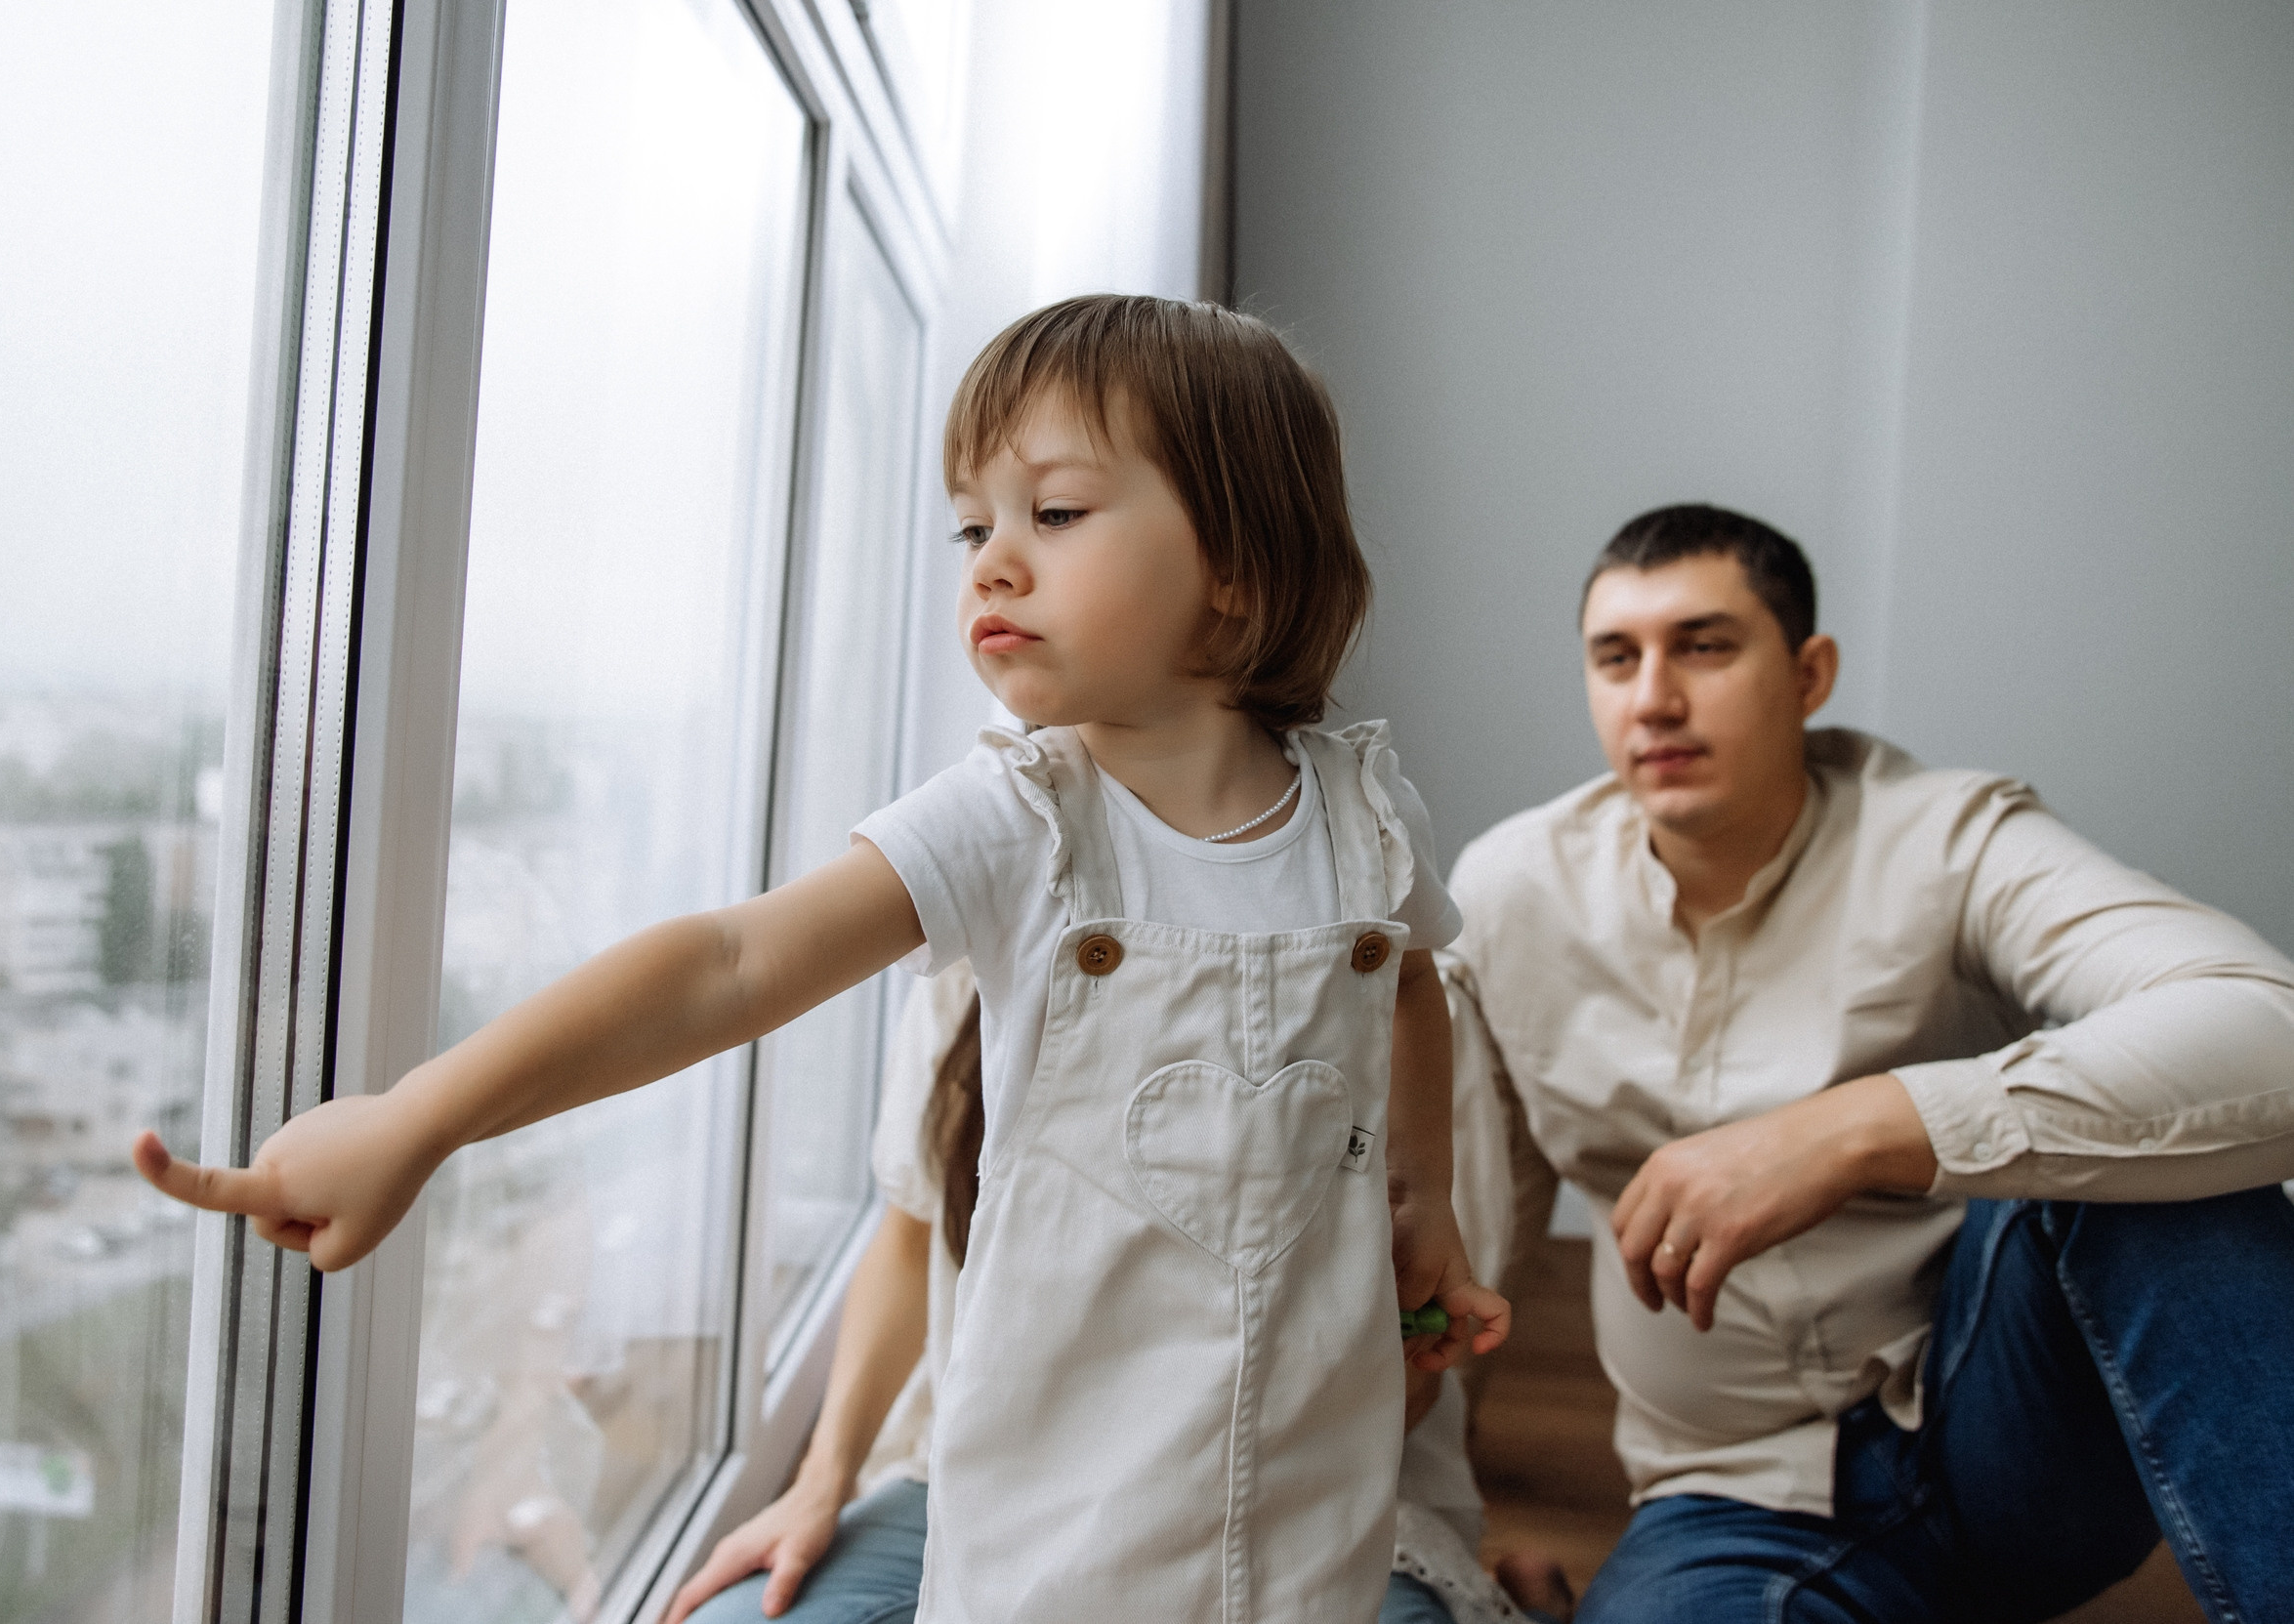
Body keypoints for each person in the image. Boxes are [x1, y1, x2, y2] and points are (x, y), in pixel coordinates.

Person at [134, 294, 1509, 1624]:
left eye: (1055, 512)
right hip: (1057, 1547)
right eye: (973, 523)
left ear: (1237, 564)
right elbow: (727, 961)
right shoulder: (1015, 818)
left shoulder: (1359, 813)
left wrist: (1418, 1194)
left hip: (1306, 1530)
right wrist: (420, 1115)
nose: (989, 559)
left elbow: (1398, 975)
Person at [1443, 503, 2294, 1622]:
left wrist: (1857, 1128)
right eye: (1616, 657)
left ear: (1807, 672)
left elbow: (2263, 1023)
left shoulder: (1947, 838)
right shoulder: (1509, 891)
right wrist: (1449, 1540)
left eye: (1702, 644)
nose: (1652, 696)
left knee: (2161, 1154)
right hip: (1727, 1497)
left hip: (2003, 1435)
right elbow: (1469, 1245)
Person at [669, 966, 1548, 1624]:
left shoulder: (1399, 997)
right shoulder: (973, 960)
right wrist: (819, 1485)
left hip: (1295, 1501)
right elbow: (908, 1237)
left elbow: (1416, 1365)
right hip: (977, 1482)